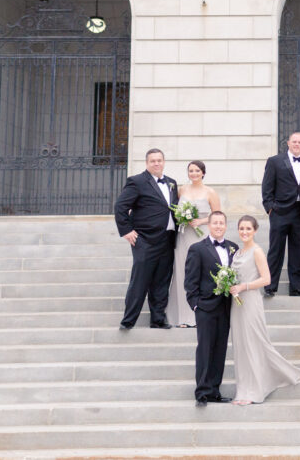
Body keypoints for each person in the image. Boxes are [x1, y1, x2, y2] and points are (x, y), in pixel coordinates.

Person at [227, 215, 300, 405]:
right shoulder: (236, 253)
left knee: (254, 343)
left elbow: (266, 279)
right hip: (236, 304)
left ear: (255, 231)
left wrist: (243, 287)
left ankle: (255, 391)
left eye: (248, 229)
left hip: (251, 301)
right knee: (241, 345)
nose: (244, 232)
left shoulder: (257, 251)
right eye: (241, 228)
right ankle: (243, 390)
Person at [114, 148, 178, 330]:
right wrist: (126, 230)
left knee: (162, 282)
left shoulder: (172, 183)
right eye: (153, 161)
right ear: (147, 163)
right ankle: (128, 320)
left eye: (159, 160)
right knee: (140, 280)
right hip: (145, 239)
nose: (157, 163)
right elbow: (120, 206)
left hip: (167, 239)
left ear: (164, 162)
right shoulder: (137, 181)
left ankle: (158, 319)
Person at [185, 210, 238, 405]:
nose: (218, 226)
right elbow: (190, 280)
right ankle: (202, 391)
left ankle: (215, 390)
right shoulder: (197, 248)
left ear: (225, 225)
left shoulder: (233, 247)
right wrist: (196, 304)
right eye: (214, 223)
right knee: (205, 349)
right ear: (209, 225)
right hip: (205, 307)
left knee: (220, 349)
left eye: (221, 223)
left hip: (225, 307)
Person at [166, 160, 221, 327]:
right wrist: (182, 217)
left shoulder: (210, 192)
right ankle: (182, 316)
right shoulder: (182, 190)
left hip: (201, 235)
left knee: (200, 273)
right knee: (183, 272)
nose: (194, 173)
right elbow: (173, 210)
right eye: (191, 171)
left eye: (197, 170)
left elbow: (218, 215)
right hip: (184, 236)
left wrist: (201, 221)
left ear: (203, 173)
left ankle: (200, 313)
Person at [261, 132, 300, 297]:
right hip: (280, 211)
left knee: (298, 251)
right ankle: (270, 286)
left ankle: (296, 288)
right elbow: (267, 186)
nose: (297, 144)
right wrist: (270, 207)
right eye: (294, 141)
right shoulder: (275, 161)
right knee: (276, 250)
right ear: (288, 143)